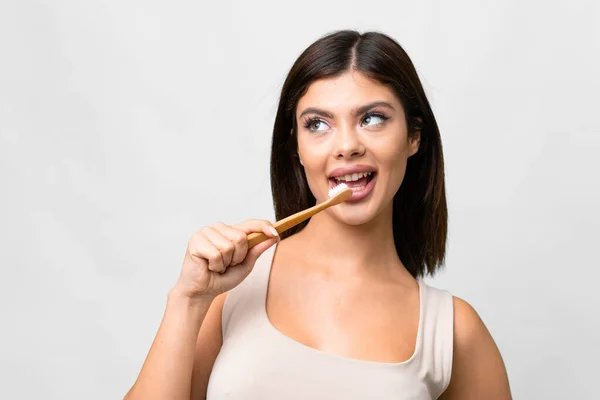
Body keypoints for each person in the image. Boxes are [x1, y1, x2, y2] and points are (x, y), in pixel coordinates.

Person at [124, 30, 512, 399]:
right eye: (318, 124)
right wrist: (188, 299)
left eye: (372, 118)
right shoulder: (229, 289)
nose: (346, 145)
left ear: (414, 137)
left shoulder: (454, 332)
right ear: (296, 148)